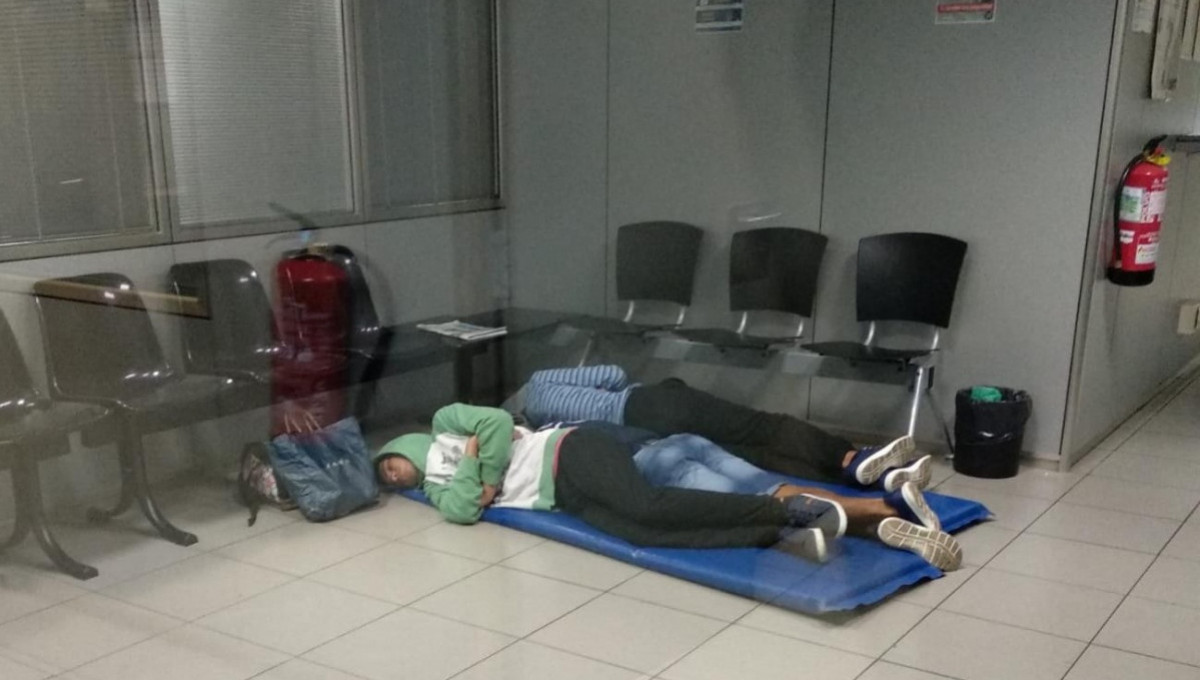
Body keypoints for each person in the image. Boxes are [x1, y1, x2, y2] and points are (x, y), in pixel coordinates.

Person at [374, 404, 963, 570]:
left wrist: (481, 471)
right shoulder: (437, 490)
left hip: (570, 450)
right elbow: (463, 511)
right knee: (640, 532)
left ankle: (809, 511)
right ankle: (787, 521)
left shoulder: (445, 422)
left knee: (644, 504)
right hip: (561, 497)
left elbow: (497, 423)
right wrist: (476, 471)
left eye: (390, 464)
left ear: (403, 445)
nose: (393, 474)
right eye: (387, 478)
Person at [520, 365, 932, 492]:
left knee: (756, 455)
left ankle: (873, 479)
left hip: (648, 435)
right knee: (763, 427)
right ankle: (851, 458)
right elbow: (613, 374)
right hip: (648, 402)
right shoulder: (539, 383)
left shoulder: (541, 427)